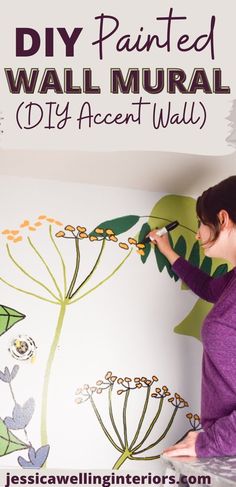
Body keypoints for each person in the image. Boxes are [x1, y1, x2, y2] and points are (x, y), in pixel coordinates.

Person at [148, 175, 236, 458]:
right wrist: (169, 252)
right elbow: (208, 288)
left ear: (222, 220)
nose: (197, 234)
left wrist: (209, 443)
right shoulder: (232, 282)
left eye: (200, 222)